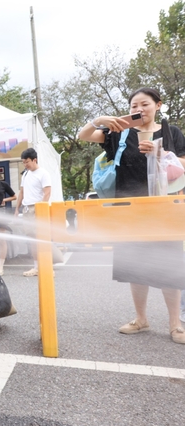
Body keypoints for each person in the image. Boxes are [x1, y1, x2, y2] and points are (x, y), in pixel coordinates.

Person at [77, 87, 184, 344]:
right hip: (129, 209)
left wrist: (160, 154)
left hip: (163, 208)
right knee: (135, 266)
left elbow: (182, 165)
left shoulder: (171, 132)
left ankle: (175, 324)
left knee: (168, 265)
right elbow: (84, 135)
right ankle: (141, 319)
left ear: (158, 105)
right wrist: (101, 120)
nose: (138, 109)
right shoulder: (118, 132)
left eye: (144, 104)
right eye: (134, 105)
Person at [14, 148, 51, 277]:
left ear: (34, 160)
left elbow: (47, 193)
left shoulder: (43, 173)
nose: (25, 165)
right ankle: (36, 267)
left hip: (37, 208)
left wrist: (40, 209)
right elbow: (21, 193)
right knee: (32, 240)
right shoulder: (25, 174)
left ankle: (47, 267)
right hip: (26, 209)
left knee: (41, 239)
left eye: (27, 162)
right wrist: (17, 208)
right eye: (23, 162)